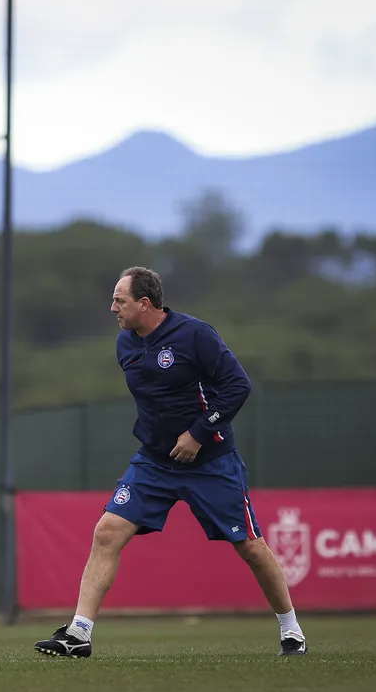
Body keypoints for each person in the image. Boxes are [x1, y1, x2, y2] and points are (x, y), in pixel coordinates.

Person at [34, 266, 308, 659]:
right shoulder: (125, 344)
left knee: (249, 546)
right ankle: (79, 634)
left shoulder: (195, 334)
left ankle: (291, 630)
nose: (112, 307)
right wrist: (150, 452)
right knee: (107, 532)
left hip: (211, 461)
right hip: (154, 464)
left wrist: (198, 434)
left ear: (144, 304)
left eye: (119, 300)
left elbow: (238, 386)